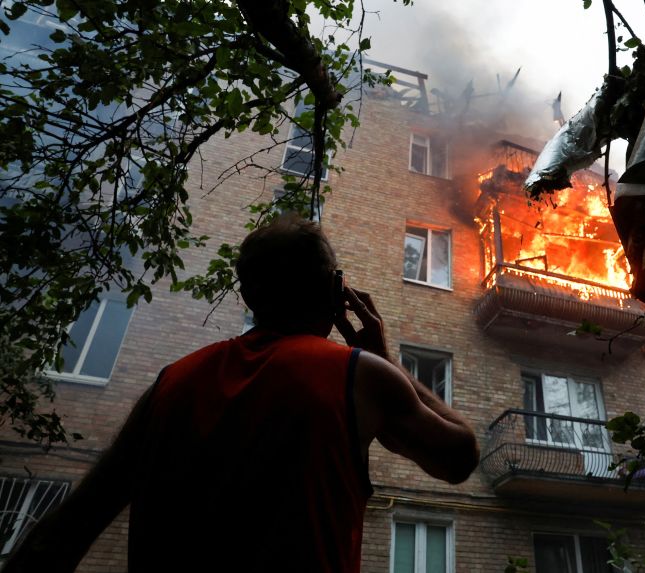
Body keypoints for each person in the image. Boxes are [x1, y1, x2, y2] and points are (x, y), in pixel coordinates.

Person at [4, 215, 480, 573]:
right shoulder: (359, 377)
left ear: (248, 295)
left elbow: (66, 530)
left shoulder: (172, 382)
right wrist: (388, 361)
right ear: (336, 291)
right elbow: (460, 456)